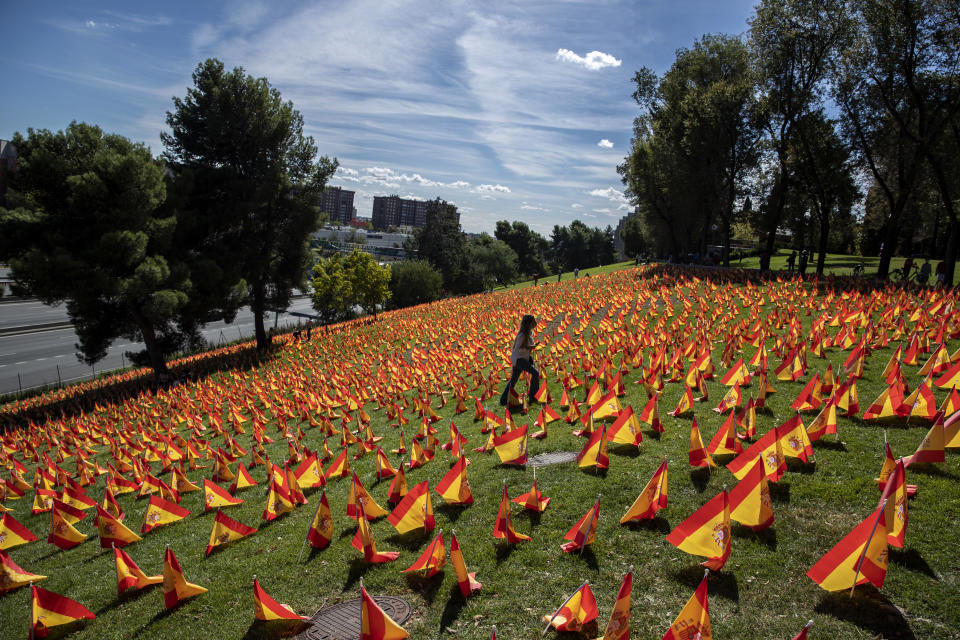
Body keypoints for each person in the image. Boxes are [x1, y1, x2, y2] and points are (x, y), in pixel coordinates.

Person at [500, 314, 540, 407]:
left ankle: (503, 399)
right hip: (518, 359)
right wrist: (530, 347)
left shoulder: (529, 333)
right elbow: (517, 349)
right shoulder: (522, 335)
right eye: (533, 321)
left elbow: (526, 347)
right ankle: (533, 396)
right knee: (535, 373)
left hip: (521, 358)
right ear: (528, 323)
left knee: (513, 379)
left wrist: (531, 347)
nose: (535, 323)